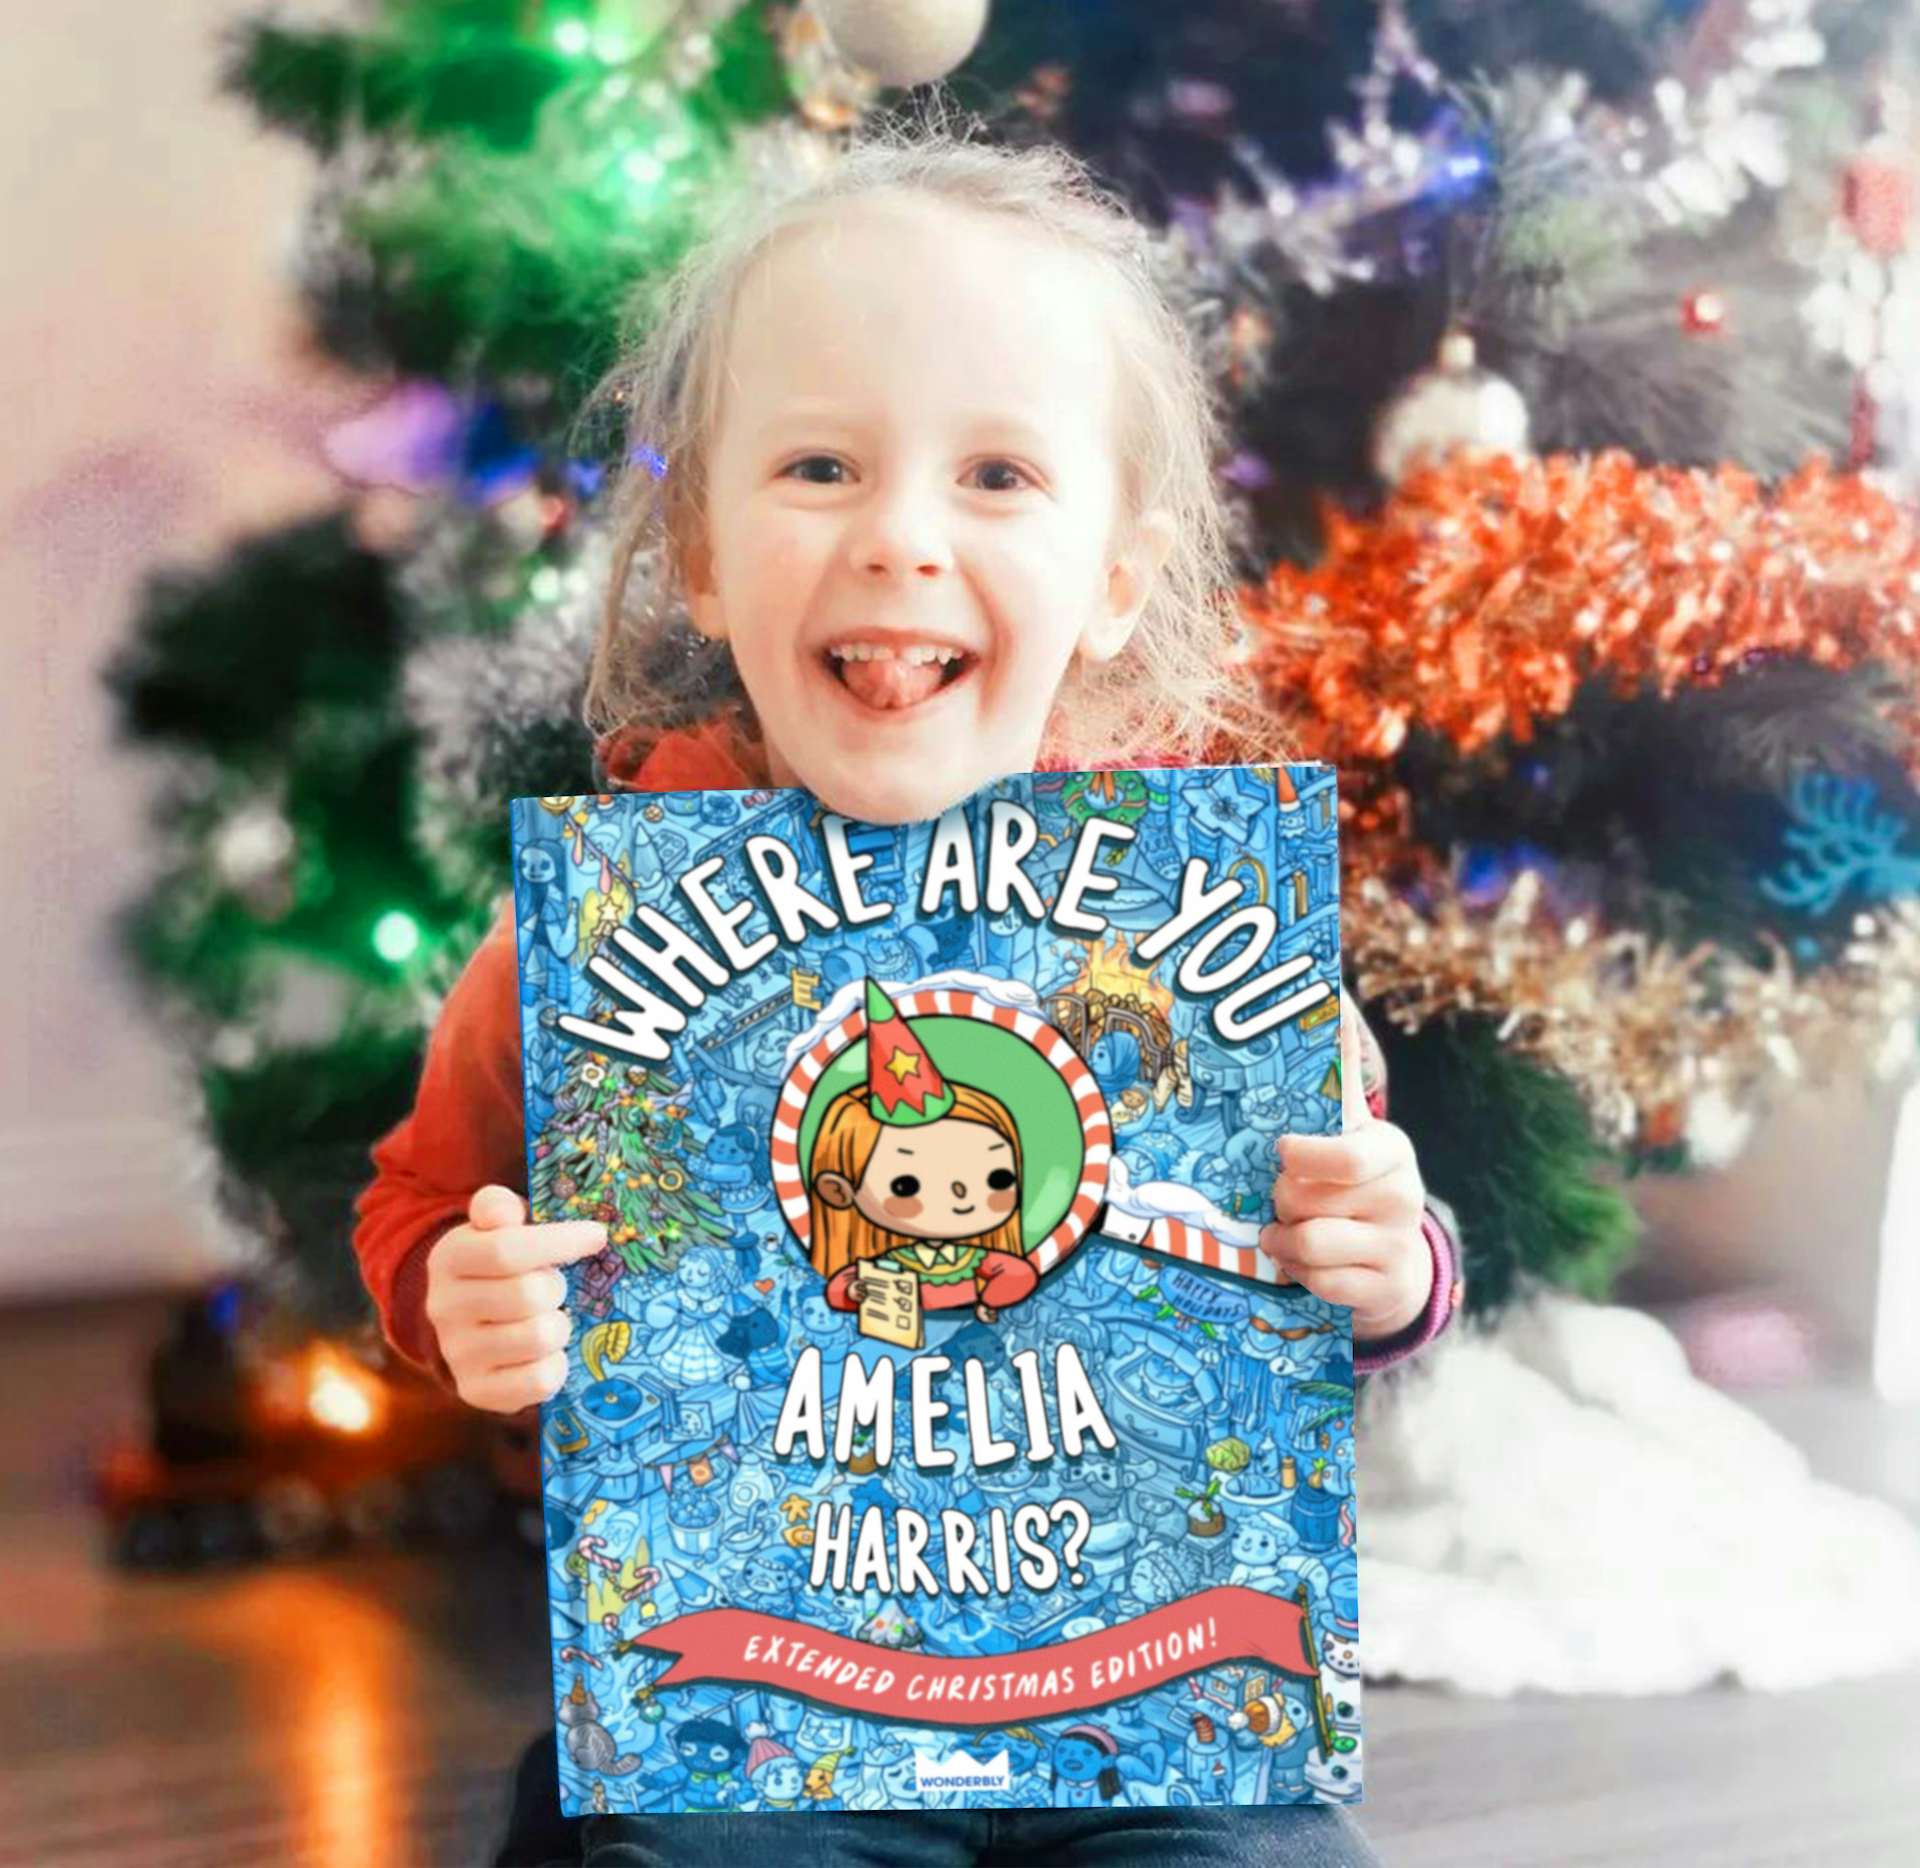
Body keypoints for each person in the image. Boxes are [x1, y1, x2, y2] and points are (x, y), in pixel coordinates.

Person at [354, 105, 1462, 1868]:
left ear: (1115, 578)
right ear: (704, 552)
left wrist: (1389, 1263)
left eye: (998, 475)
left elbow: (1364, 1239)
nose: (899, 539)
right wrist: (461, 1298)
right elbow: (424, 1202)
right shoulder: (601, 931)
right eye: (819, 469)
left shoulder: (1213, 942)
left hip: (1149, 1699)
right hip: (761, 1708)